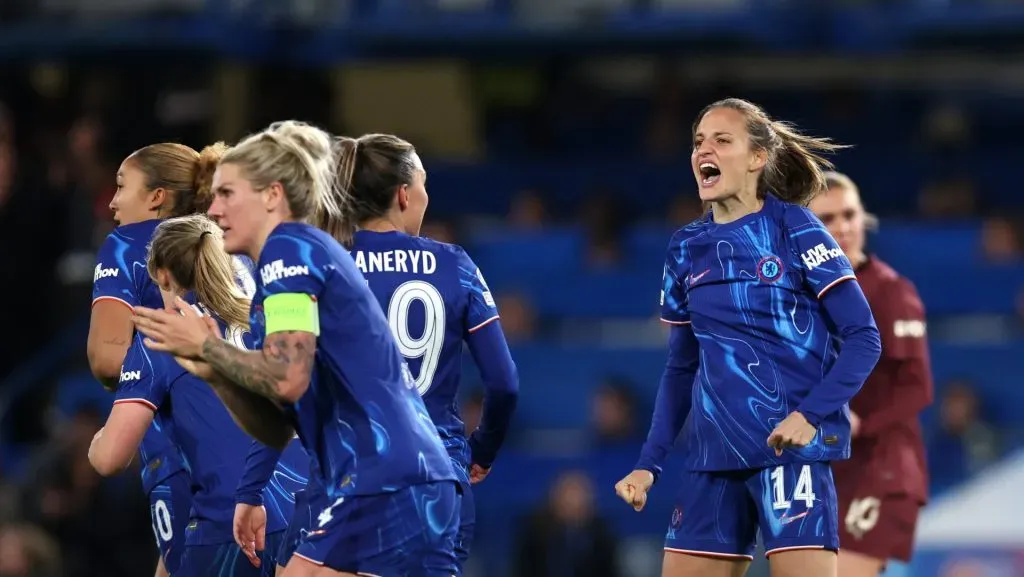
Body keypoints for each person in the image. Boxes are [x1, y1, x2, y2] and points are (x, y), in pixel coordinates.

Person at [131, 121, 460, 577]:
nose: (214, 208)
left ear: (271, 196)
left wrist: (209, 345)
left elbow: (287, 378)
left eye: (228, 194)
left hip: (385, 478)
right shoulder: (286, 265)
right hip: (383, 476)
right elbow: (279, 414)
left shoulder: (291, 254)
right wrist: (214, 372)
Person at [613, 98, 883, 577]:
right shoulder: (685, 248)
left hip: (790, 454)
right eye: (698, 141)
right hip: (711, 460)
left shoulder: (797, 228)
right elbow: (680, 368)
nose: (703, 151)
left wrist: (809, 415)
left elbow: (864, 338)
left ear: (757, 158)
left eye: (721, 140)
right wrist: (648, 464)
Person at [90, 214, 307, 576]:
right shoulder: (270, 313)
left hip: (230, 526)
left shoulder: (163, 337)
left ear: (161, 275)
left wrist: (97, 440)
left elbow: (110, 458)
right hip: (304, 514)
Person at [340, 133, 519, 571]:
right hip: (435, 471)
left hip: (349, 474)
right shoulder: (454, 263)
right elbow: (503, 382)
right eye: (422, 183)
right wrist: (483, 450)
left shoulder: (329, 263)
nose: (426, 195)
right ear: (404, 194)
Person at [87, 142, 224, 576]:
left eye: (122, 186)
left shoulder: (128, 244)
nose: (111, 202)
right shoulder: (227, 239)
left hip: (178, 454)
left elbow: (106, 359)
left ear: (156, 197)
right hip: (260, 458)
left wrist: (146, 376)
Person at [809, 172, 933, 577]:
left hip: (881, 469)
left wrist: (862, 423)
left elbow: (917, 386)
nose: (842, 227)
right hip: (826, 474)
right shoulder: (797, 298)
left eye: (849, 214)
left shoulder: (890, 291)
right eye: (827, 219)